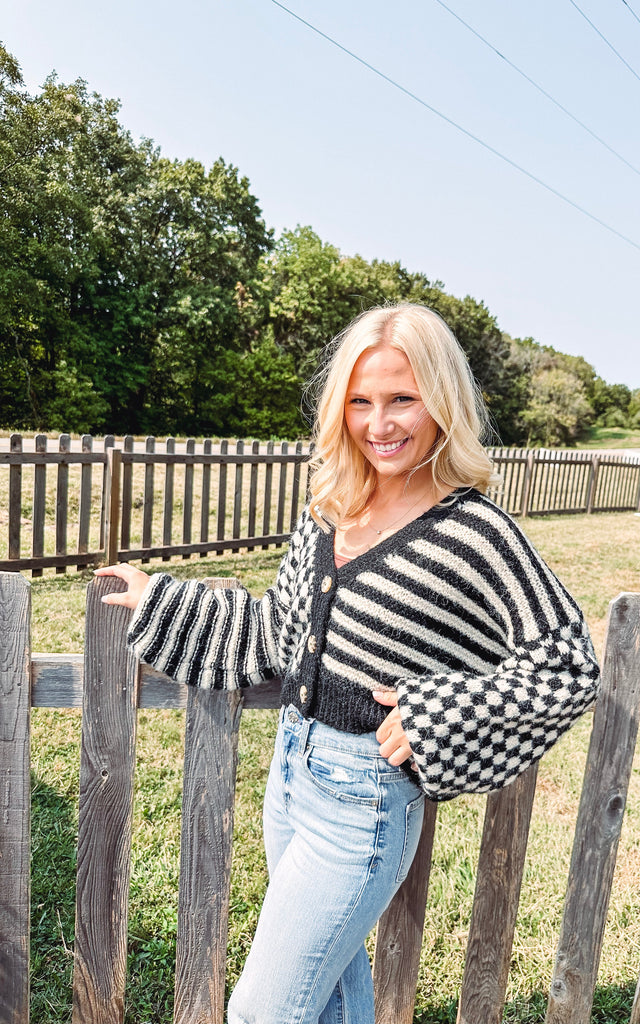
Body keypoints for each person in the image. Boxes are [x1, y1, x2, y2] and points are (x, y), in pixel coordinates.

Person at [96, 302, 600, 1024]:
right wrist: (165, 602)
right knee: (329, 997)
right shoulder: (331, 508)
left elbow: (569, 667)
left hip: (362, 805)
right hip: (291, 777)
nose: (380, 423)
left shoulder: (477, 531)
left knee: (261, 1012)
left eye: (402, 399)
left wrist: (432, 718)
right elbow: (277, 633)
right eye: (361, 402)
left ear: (442, 400)